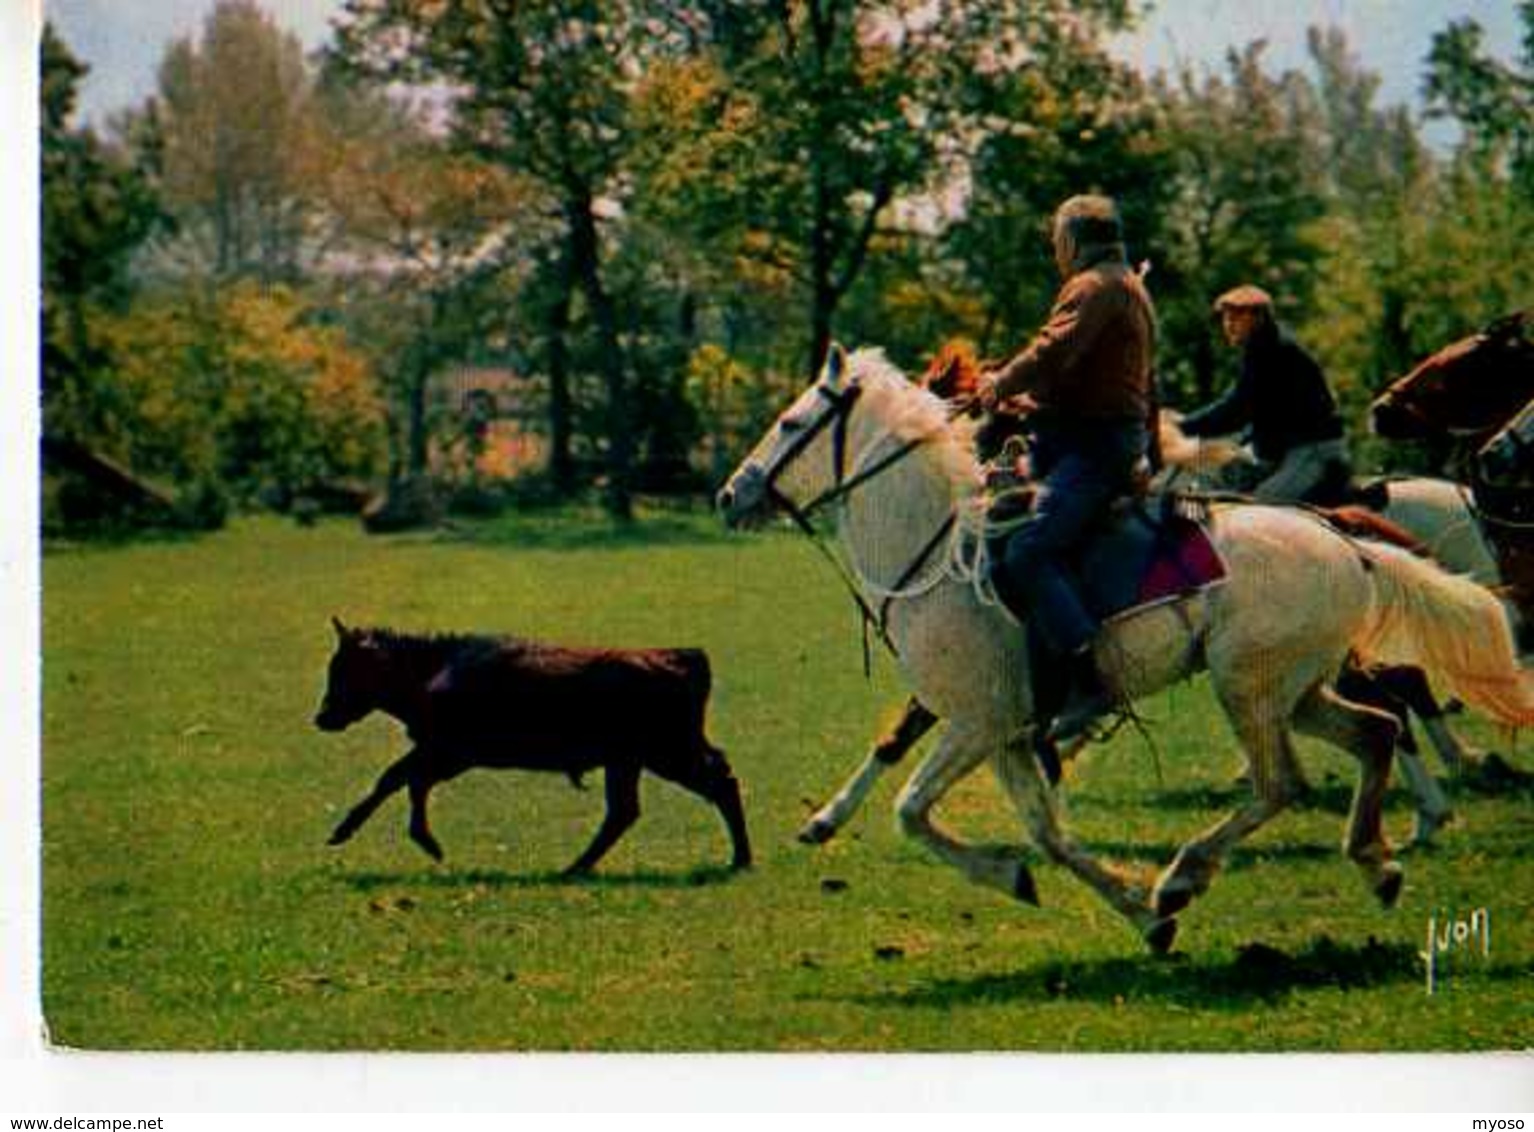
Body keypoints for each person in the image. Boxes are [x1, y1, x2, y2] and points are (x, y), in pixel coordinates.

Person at [977, 194, 1156, 741]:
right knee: (1006, 542)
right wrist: (1024, 405)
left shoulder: (1094, 286)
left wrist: (998, 384)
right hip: (1083, 438)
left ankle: (1090, 681)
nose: (1055, 252)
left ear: (1072, 241)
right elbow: (1073, 371)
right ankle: (1045, 691)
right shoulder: (1120, 283)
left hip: (1093, 448)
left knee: (1029, 548)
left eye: (1056, 241)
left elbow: (1053, 350)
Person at [1178, 285, 1349, 503]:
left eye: (1237, 317)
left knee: (1259, 509)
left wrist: (1179, 429)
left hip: (1312, 449)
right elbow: (1244, 406)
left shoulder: (1273, 351)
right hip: (1284, 449)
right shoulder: (1262, 347)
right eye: (1226, 317)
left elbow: (1235, 411)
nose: (1229, 324)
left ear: (1259, 318)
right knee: (1223, 473)